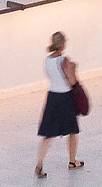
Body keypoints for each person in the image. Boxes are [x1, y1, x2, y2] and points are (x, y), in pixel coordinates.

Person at [34, 31, 83, 177]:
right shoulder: (64, 60)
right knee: (72, 131)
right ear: (62, 44)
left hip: (52, 97)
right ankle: (72, 161)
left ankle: (39, 164)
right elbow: (71, 80)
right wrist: (74, 69)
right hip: (65, 98)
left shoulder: (47, 60)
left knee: (48, 134)